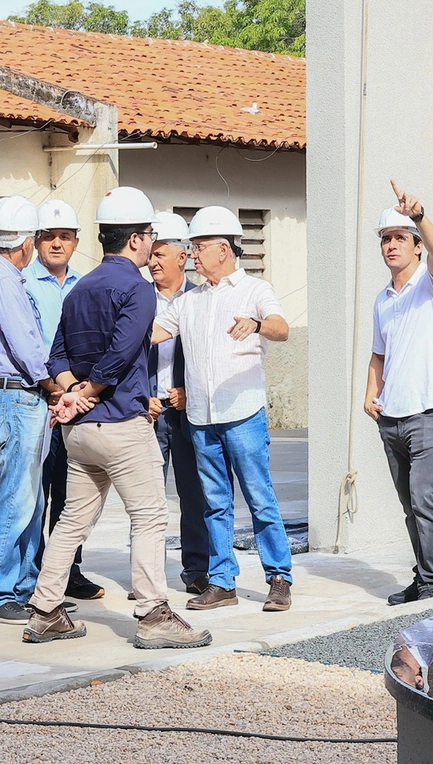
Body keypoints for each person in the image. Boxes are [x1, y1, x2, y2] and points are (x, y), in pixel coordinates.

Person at [24, 186, 211, 650]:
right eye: (149, 235)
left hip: (80, 431)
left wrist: (70, 395)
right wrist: (87, 391)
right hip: (121, 425)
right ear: (134, 240)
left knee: (71, 520)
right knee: (149, 516)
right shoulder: (137, 290)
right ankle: (154, 614)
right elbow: (121, 353)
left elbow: (57, 356)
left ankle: (45, 610)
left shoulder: (80, 287)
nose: (152, 244)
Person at [152, 205, 294, 612]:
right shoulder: (189, 301)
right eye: (192, 247)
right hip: (201, 419)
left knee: (259, 498)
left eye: (199, 247)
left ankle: (279, 577)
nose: (193, 254)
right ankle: (222, 581)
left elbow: (281, 328)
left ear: (224, 249)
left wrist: (257, 324)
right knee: (214, 503)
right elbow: (156, 332)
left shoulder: (255, 290)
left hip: (243, 414)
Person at [365, 180, 433, 606]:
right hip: (392, 417)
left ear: (416, 245)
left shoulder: (432, 283)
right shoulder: (383, 300)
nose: (391, 246)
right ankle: (422, 578)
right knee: (410, 505)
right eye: (386, 239)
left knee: (425, 498)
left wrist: (419, 215)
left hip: (432, 412)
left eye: (400, 238)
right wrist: (371, 394)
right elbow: (378, 354)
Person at [0, 196, 59, 624]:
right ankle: (0, 593)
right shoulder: (4, 281)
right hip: (18, 396)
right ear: (25, 243)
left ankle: (24, 585)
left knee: (30, 498)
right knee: (17, 499)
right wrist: (54, 384)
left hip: (20, 397)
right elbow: (26, 345)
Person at [24, 198, 102, 601]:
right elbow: (29, 346)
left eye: (65, 237)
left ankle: (69, 571)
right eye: (49, 237)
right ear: (36, 241)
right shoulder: (23, 283)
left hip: (76, 401)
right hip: (40, 399)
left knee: (72, 493)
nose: (57, 244)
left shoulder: (86, 285)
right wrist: (54, 388)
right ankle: (34, 573)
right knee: (36, 492)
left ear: (76, 242)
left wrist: (75, 392)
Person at [144, 211, 210, 596]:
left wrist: (191, 389)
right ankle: (148, 576)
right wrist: (141, 395)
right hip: (149, 410)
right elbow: (130, 353)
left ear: (182, 257)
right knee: (148, 499)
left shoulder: (200, 298)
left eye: (159, 254)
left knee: (194, 493)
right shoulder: (138, 298)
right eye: (150, 254)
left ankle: (196, 570)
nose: (152, 261)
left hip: (188, 411)